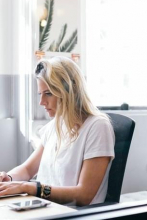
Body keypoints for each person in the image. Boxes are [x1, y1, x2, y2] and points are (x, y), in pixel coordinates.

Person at [0, 56, 115, 206]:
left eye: (48, 93)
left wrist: (28, 187)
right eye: (40, 94)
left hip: (73, 214)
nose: (42, 102)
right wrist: (8, 178)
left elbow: (84, 195)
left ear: (68, 91)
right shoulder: (55, 125)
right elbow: (28, 169)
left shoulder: (98, 127)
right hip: (47, 208)